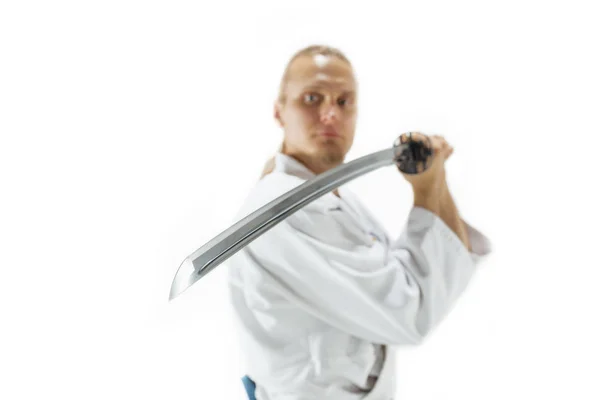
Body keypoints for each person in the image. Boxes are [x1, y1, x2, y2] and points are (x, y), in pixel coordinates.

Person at [227, 45, 492, 400]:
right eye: (311, 98)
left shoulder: (328, 196)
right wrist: (429, 190)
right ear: (279, 111)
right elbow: (410, 315)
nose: (329, 114)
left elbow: (403, 274)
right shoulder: (283, 211)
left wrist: (434, 182)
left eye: (344, 101)